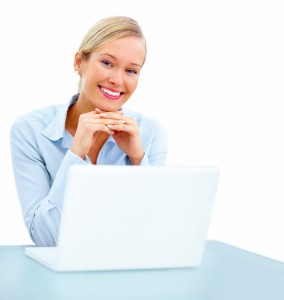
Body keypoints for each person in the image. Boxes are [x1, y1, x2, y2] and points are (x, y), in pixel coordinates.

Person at [10, 16, 168, 247]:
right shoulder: (30, 130)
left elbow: (151, 235)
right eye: (107, 63)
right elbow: (46, 238)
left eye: (131, 71)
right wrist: (75, 155)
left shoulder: (150, 133)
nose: (117, 80)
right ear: (78, 62)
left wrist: (137, 160)